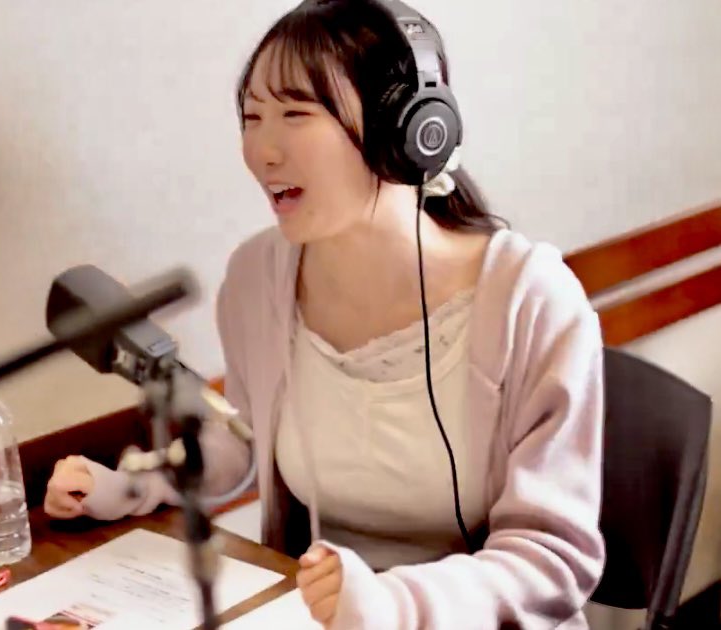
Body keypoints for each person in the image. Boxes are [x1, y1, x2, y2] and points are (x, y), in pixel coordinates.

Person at [44, 0, 606, 627]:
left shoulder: (531, 300)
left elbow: (553, 559)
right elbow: (242, 438)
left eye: (295, 114)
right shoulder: (258, 277)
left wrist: (394, 604)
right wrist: (134, 488)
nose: (262, 151)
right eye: (252, 117)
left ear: (404, 129)